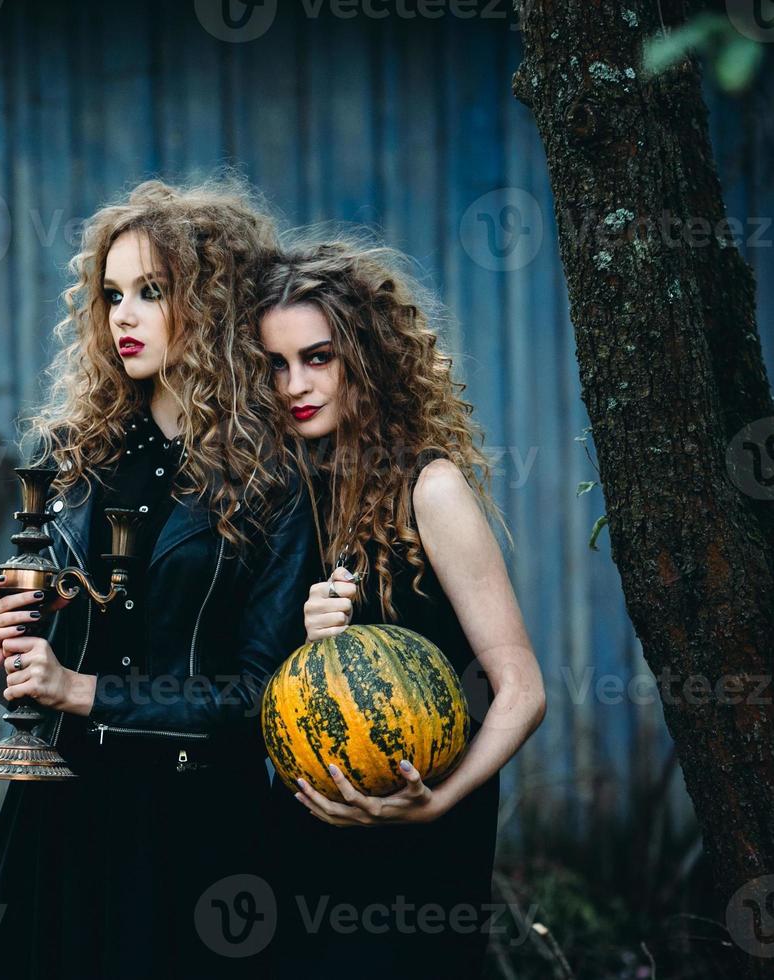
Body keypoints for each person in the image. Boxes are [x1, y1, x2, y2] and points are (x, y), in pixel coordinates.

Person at [0, 179, 315, 979]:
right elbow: (32, 676)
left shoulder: (277, 478)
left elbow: (260, 694)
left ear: (213, 305)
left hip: (198, 826)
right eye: (112, 294)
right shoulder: (76, 458)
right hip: (63, 813)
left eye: (152, 291)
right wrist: (6, 650)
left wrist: (83, 690)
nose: (124, 315)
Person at [252, 237, 548, 978]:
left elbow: (522, 692)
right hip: (306, 832)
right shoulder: (286, 500)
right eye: (275, 365)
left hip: (419, 840)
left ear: (370, 357)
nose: (296, 383)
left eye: (318, 357)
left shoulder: (430, 488)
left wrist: (439, 802)